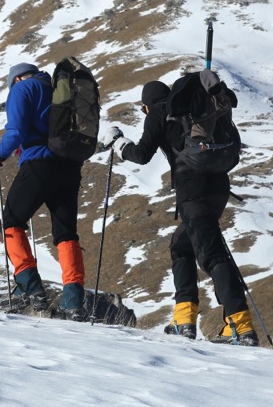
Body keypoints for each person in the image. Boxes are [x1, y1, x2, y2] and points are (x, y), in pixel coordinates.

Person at [108, 79, 258, 346]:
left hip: (193, 191)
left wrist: (120, 145)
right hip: (218, 186)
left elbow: (142, 154)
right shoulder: (193, 108)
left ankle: (240, 326)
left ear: (146, 104)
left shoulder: (157, 113)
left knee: (212, 254)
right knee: (181, 245)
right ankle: (183, 319)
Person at [0, 62, 87, 320]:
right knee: (66, 233)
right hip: (69, 167)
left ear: (16, 79)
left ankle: (30, 288)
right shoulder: (59, 89)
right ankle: (73, 300)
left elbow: (17, 130)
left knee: (12, 220)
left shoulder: (23, 89)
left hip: (39, 164)